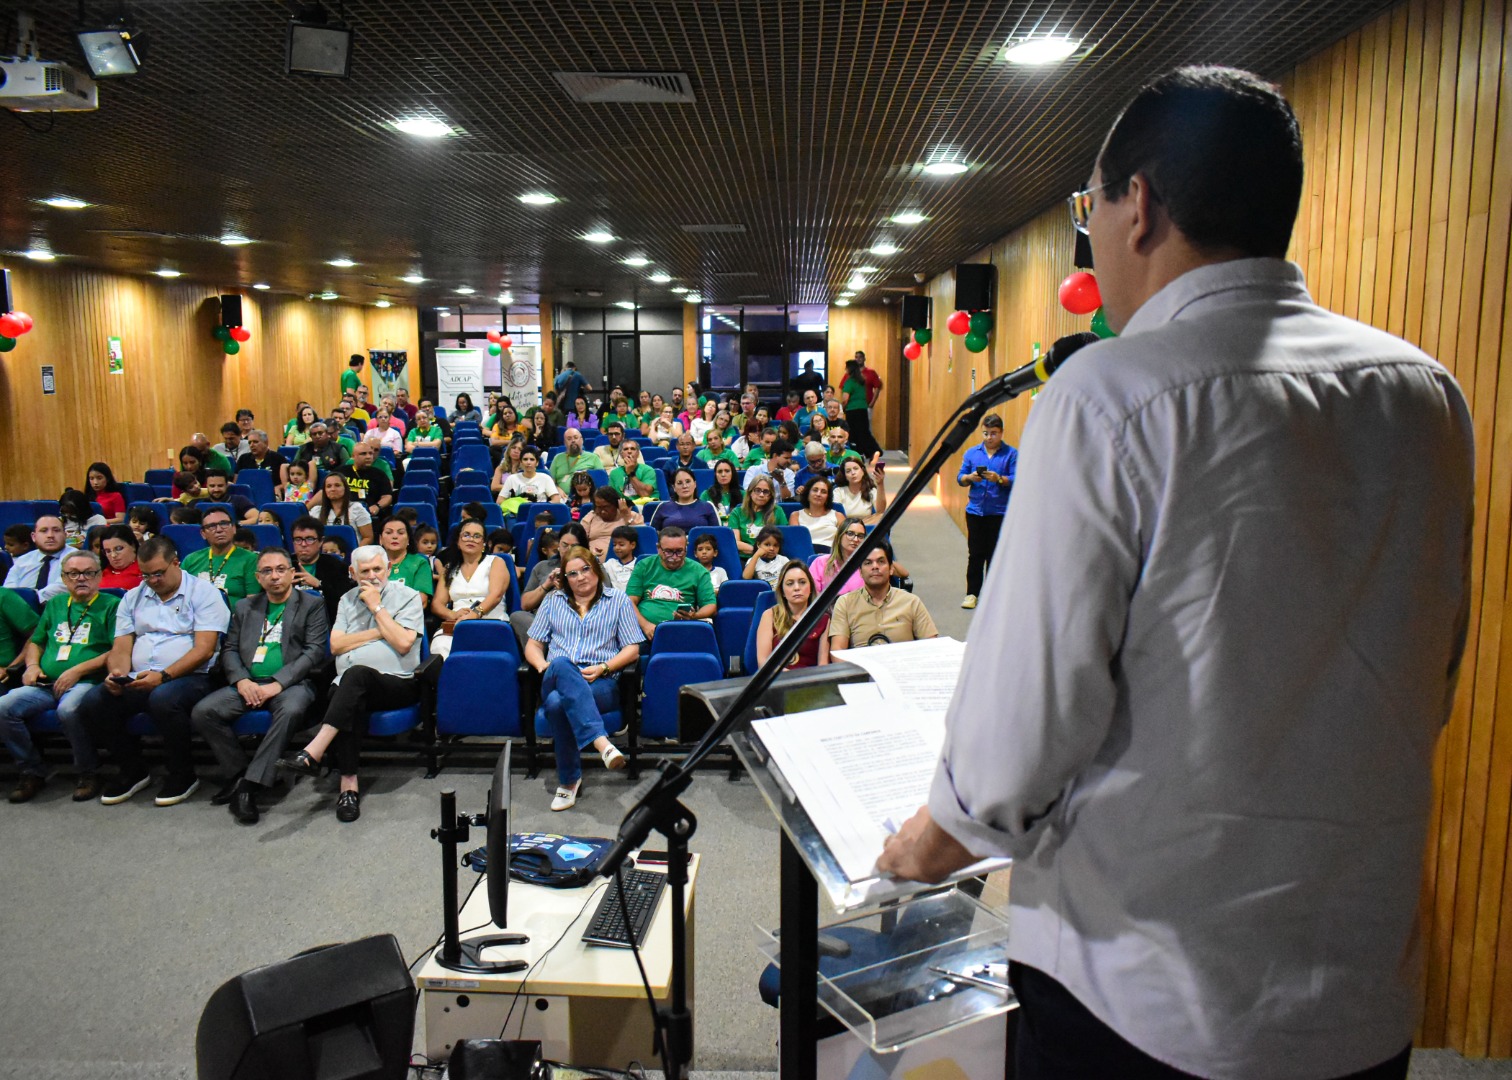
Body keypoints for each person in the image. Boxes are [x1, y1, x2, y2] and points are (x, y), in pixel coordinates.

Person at [872, 69, 1478, 1080]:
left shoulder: (1112, 395)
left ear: (1137, 206)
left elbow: (1022, 730)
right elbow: (1435, 662)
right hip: (1357, 980)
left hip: (1144, 997)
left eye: (1089, 209)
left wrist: (924, 849)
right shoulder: (1425, 394)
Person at [278, 545, 425, 822]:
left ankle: (316, 751)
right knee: (349, 691)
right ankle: (348, 788)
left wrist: (375, 606)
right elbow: (336, 645)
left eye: (377, 569)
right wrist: (382, 631)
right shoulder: (346, 599)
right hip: (350, 684)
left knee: (356, 675)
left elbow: (405, 643)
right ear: (352, 573)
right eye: (364, 571)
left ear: (389, 570)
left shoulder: (408, 597)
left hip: (396, 683)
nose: (371, 577)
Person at [80, 537, 230, 805]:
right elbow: (122, 645)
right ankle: (133, 769)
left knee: (163, 698)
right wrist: (117, 674)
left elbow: (204, 650)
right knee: (95, 701)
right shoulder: (133, 597)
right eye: (146, 575)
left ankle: (183, 773)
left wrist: (164, 676)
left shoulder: (204, 593)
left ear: (176, 563)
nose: (152, 580)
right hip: (140, 675)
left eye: (158, 573)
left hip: (193, 676)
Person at [190, 548, 329, 825]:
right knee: (203, 711)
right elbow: (229, 649)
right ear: (257, 576)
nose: (274, 576)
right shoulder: (244, 607)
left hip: (292, 684)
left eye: (281, 569)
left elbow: (314, 651)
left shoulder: (311, 604)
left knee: (290, 710)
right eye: (267, 571)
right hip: (248, 683)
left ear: (292, 573)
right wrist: (241, 680)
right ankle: (241, 771)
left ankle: (248, 787)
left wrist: (277, 684)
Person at [0, 551, 122, 802]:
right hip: (45, 683)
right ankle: (32, 769)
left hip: (87, 681)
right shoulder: (55, 605)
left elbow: (117, 649)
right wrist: (32, 666)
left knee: (68, 710)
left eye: (89, 572)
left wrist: (77, 670)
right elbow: (37, 641)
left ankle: (89, 771)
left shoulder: (111, 605)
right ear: (64, 579)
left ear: (99, 576)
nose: (81, 578)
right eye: (74, 574)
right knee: (4, 707)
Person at [525, 545, 640, 811]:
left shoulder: (618, 601)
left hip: (600, 680)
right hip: (555, 673)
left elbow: (632, 649)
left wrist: (604, 668)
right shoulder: (553, 601)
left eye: (585, 569)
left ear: (596, 570)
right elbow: (533, 645)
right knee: (563, 664)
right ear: (566, 579)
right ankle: (602, 744)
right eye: (573, 574)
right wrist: (544, 667)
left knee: (556, 704)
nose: (581, 577)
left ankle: (568, 782)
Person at [827, 541, 936, 650]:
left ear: (891, 569)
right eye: (868, 563)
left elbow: (932, 645)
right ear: (860, 571)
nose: (875, 566)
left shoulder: (911, 602)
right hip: (861, 665)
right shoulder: (845, 603)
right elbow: (838, 650)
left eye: (881, 561)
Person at [956, 413, 1017, 609]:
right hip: (975, 511)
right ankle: (972, 594)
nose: (989, 437)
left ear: (1001, 433)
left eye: (993, 433)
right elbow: (960, 478)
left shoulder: (1011, 454)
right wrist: (969, 478)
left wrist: (999, 479)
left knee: (995, 555)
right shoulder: (972, 453)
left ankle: (992, 596)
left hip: (999, 512)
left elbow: (1017, 479)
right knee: (975, 554)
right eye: (986, 433)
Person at [430, 520, 509, 658]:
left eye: (477, 536)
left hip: (491, 620)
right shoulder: (449, 568)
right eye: (466, 535)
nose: (471, 539)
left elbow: (496, 595)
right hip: (457, 624)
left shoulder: (496, 562)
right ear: (458, 541)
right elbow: (437, 604)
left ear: (484, 543)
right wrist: (453, 615)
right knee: (440, 646)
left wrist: (474, 614)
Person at [626, 527, 716, 643]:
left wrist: (694, 616)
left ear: (686, 548)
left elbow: (710, 605)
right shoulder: (644, 566)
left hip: (682, 629)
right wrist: (645, 625)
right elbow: (629, 601)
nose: (674, 557)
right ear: (658, 548)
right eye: (668, 551)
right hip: (642, 631)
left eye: (679, 551)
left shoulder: (699, 571)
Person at [756, 559, 830, 670]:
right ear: (783, 591)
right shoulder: (770, 615)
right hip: (776, 679)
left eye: (802, 582)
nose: (796, 588)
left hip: (811, 680)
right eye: (790, 584)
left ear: (810, 588)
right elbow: (764, 662)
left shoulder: (823, 619)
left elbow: (823, 665)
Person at [180, 506, 262, 602]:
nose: (219, 530)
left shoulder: (251, 559)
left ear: (234, 528)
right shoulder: (190, 560)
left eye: (224, 524)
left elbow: (252, 603)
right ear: (203, 534)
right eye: (212, 526)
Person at [290, 516, 355, 625]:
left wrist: (319, 584)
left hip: (326, 622)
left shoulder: (336, 566)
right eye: (298, 539)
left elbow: (345, 602)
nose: (303, 544)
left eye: (310, 539)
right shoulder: (284, 566)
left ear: (321, 542)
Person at [4, 517, 68, 600]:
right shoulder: (23, 560)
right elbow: (8, 588)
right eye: (43, 531)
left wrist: (28, 599)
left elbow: (61, 588)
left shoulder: (78, 558)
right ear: (34, 537)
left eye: (56, 530)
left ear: (65, 535)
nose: (50, 535)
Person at [727, 475, 788, 557]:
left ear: (771, 495)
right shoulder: (737, 512)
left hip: (770, 557)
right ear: (750, 492)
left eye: (766, 492)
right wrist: (758, 551)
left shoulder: (777, 511)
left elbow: (782, 540)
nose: (761, 495)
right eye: (757, 490)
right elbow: (735, 542)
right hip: (744, 559)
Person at [809, 516, 868, 597]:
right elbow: (812, 597)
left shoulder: (868, 566)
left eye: (860, 536)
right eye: (850, 534)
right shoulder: (820, 563)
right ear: (840, 536)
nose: (855, 539)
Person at [308, 473, 373, 545]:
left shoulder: (357, 509)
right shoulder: (316, 511)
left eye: (337, 485)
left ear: (345, 488)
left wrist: (354, 553)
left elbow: (368, 537)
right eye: (329, 486)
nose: (333, 489)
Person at [378, 518, 435, 597]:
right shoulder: (372, 563)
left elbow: (422, 600)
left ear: (408, 539)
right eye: (388, 532)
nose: (395, 536)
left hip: (408, 609)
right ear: (380, 539)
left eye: (401, 533)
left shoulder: (419, 563)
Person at [580, 487, 642, 559]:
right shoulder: (590, 517)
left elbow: (641, 538)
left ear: (616, 504)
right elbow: (579, 542)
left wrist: (626, 516)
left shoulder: (632, 516)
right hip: (594, 562)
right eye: (599, 507)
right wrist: (589, 552)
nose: (602, 511)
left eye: (606, 507)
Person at [650, 468, 720, 531]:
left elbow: (718, 534)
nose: (685, 486)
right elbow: (653, 535)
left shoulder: (708, 507)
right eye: (679, 483)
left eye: (688, 481)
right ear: (674, 487)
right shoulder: (663, 507)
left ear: (695, 484)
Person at [339, 441, 394, 517]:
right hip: (343, 510)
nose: (368, 457)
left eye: (370, 453)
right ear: (353, 456)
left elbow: (387, 496)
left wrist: (377, 506)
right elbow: (324, 492)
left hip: (368, 513)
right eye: (363, 454)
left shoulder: (379, 474)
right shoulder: (341, 472)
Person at [838, 359, 878, 459]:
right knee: (864, 431)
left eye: (846, 367)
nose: (845, 369)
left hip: (852, 410)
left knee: (853, 432)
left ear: (849, 369)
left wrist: (842, 408)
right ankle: (872, 451)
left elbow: (845, 399)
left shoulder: (849, 382)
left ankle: (857, 451)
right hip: (862, 409)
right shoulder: (861, 381)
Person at [498, 446, 563, 506]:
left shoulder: (545, 478)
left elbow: (556, 499)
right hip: (516, 514)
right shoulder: (511, 479)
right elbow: (499, 501)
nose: (528, 462)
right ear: (521, 462)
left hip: (540, 514)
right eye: (525, 459)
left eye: (532, 459)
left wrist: (544, 507)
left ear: (537, 463)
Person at [793, 477, 845, 553]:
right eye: (815, 490)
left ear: (828, 497)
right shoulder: (795, 516)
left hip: (831, 556)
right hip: (805, 557)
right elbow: (797, 544)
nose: (818, 494)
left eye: (823, 492)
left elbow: (845, 541)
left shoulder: (838, 516)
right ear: (807, 493)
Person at [834, 455, 888, 523]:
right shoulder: (838, 491)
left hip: (866, 527)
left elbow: (880, 511)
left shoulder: (870, 491)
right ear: (845, 476)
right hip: (845, 528)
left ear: (862, 471)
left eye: (856, 469)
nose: (853, 473)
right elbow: (837, 515)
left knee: (881, 517)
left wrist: (880, 484)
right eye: (848, 471)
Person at [97, 525, 143, 590]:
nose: (113, 555)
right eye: (108, 551)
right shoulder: (98, 573)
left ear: (133, 546)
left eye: (118, 548)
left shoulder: (146, 571)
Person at [602, 525, 640, 590]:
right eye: (614, 544)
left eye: (621, 545)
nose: (617, 548)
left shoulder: (639, 564)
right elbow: (597, 569)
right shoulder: (610, 564)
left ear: (632, 545)